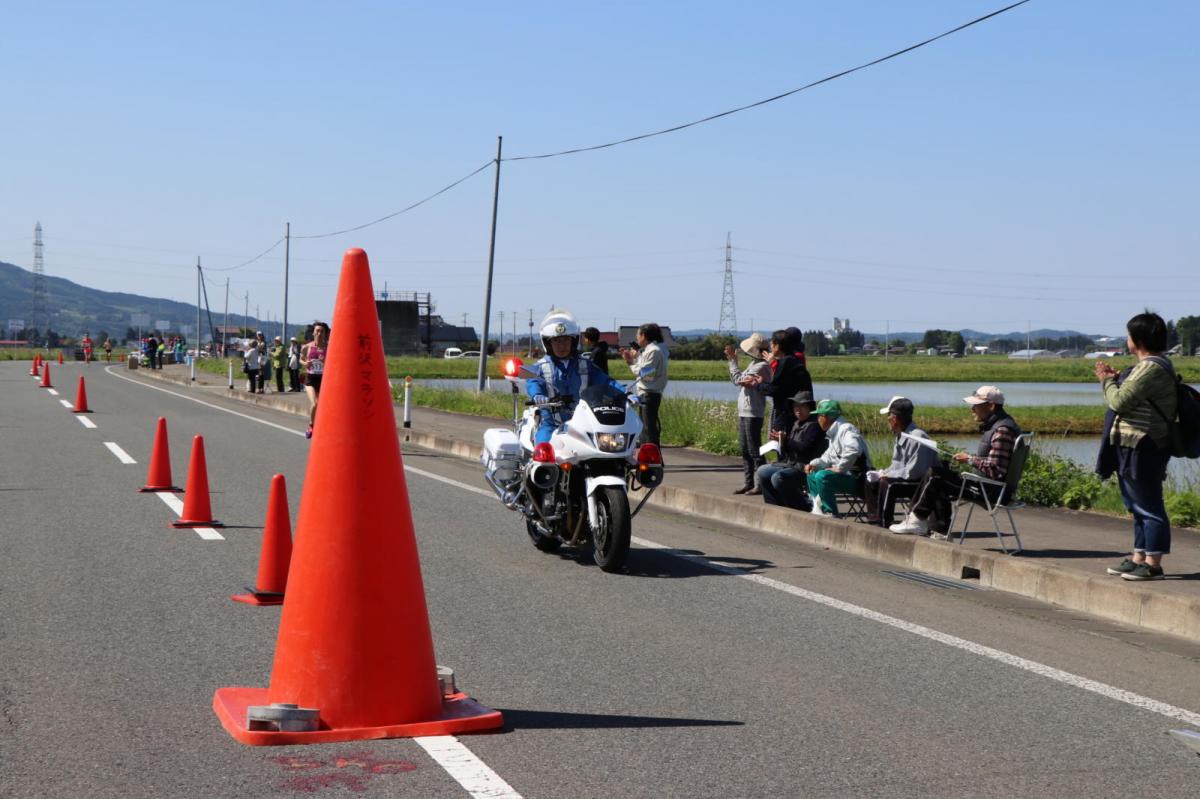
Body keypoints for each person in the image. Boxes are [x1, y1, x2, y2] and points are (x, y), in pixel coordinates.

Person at [1096, 312, 1177, 581]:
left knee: (1149, 505)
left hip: (1145, 444)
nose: (1127, 339)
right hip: (1132, 444)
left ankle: (1153, 564)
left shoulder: (1152, 367)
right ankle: (1138, 557)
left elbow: (1118, 402)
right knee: (1136, 504)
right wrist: (1117, 380)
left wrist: (1106, 382)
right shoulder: (1145, 367)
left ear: (1138, 339)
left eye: (1129, 335)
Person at [890, 386, 1021, 537]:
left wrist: (970, 459)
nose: (972, 409)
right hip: (990, 487)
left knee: (936, 475)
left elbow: (997, 469)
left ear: (991, 406)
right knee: (939, 471)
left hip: (991, 491)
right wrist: (971, 459)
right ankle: (939, 529)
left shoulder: (1002, 430)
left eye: (976, 405)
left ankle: (917, 521)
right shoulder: (1001, 425)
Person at [527, 309, 626, 445]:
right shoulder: (540, 367)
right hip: (551, 425)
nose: (562, 345)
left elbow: (606, 381)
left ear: (573, 341)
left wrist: (626, 392)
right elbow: (533, 382)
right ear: (549, 343)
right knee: (543, 451)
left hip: (583, 424)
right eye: (557, 341)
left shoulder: (585, 365)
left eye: (566, 340)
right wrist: (537, 395)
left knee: (607, 450)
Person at [864, 397, 939, 527]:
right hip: (909, 477)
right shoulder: (902, 434)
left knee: (887, 483)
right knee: (870, 480)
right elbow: (896, 465)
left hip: (922, 483)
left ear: (894, 419)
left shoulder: (917, 437)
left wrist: (887, 476)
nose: (887, 420)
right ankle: (874, 518)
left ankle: (884, 522)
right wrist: (883, 472)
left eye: (888, 417)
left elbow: (914, 471)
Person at [756, 391, 827, 510]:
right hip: (791, 464)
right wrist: (779, 443)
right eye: (795, 406)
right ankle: (775, 506)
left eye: (802, 406)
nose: (798, 409)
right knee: (762, 471)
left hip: (807, 467)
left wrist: (786, 440)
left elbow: (805, 449)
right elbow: (789, 450)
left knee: (778, 478)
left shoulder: (815, 426)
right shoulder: (796, 424)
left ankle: (803, 507)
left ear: (809, 407)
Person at [805, 399, 873, 517]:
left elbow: (854, 450)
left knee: (822, 476)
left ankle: (831, 512)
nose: (817, 420)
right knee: (812, 473)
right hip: (846, 477)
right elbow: (828, 458)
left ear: (825, 417)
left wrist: (840, 468)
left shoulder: (846, 429)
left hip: (858, 478)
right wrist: (814, 464)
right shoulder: (834, 432)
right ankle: (818, 508)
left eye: (818, 416)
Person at [724, 333, 771, 494]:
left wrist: (732, 362)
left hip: (753, 412)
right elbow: (739, 380)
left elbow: (738, 380)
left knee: (754, 449)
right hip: (744, 411)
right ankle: (749, 482)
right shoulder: (754, 363)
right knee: (745, 449)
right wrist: (734, 364)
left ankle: (761, 484)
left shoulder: (762, 366)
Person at [749, 330, 813, 438]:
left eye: (772, 343)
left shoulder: (785, 363)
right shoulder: (793, 360)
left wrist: (757, 384)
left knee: (781, 444)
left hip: (787, 412)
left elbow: (775, 390)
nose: (770, 345)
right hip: (799, 410)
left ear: (777, 346)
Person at [621, 323, 668, 446]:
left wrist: (630, 362)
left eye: (638, 334)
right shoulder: (650, 350)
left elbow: (645, 375)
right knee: (645, 428)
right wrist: (634, 359)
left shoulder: (653, 351)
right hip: (647, 394)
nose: (637, 338)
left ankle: (654, 460)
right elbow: (645, 369)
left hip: (650, 394)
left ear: (644, 335)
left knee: (649, 429)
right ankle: (649, 459)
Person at [300, 322, 329, 439]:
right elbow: (300, 360)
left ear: (325, 334)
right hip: (310, 378)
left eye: (322, 331)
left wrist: (324, 362)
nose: (319, 333)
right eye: (317, 331)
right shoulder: (307, 347)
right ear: (313, 332)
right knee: (315, 403)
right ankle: (311, 426)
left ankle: (322, 426)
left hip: (323, 379)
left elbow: (334, 364)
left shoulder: (329, 347)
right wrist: (305, 363)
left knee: (322, 406)